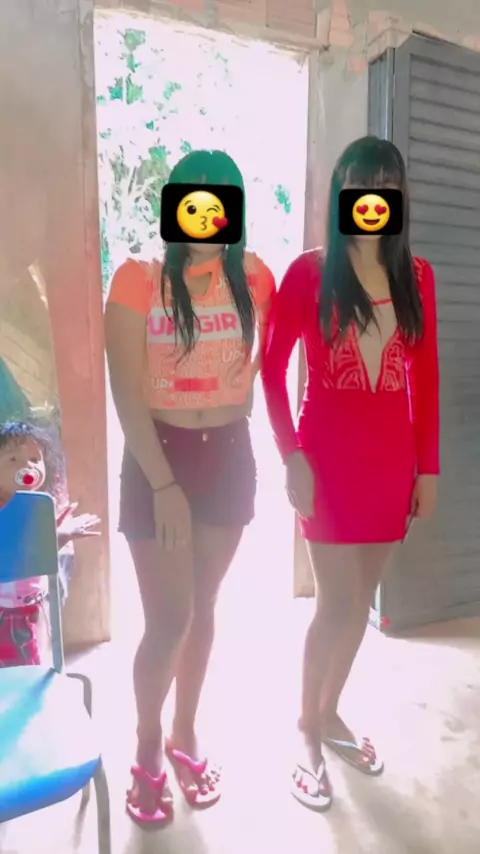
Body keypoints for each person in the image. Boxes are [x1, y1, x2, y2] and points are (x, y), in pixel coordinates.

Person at [261, 136, 439, 811]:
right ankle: (305, 729)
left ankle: (329, 711)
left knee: (358, 606)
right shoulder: (309, 273)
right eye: (360, 184)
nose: (372, 197)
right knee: (334, 605)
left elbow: (425, 377)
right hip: (326, 465)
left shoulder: (416, 276)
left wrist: (428, 470)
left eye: (385, 184)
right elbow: (271, 371)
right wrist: (291, 456)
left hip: (391, 468)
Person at [104, 149, 275, 825]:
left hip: (228, 454)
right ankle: (147, 744)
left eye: (217, 197)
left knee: (203, 608)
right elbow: (126, 392)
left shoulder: (255, 278)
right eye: (190, 196)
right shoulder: (137, 279)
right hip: (159, 457)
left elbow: (270, 356)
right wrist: (164, 482)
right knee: (168, 619)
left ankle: (184, 731)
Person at [0, 420, 100, 666]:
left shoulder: (36, 505)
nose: (28, 466)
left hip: (33, 607)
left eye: (35, 459)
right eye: (13, 459)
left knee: (36, 661)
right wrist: (59, 537)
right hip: (9, 613)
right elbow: (16, 557)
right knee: (21, 671)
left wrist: (53, 531)